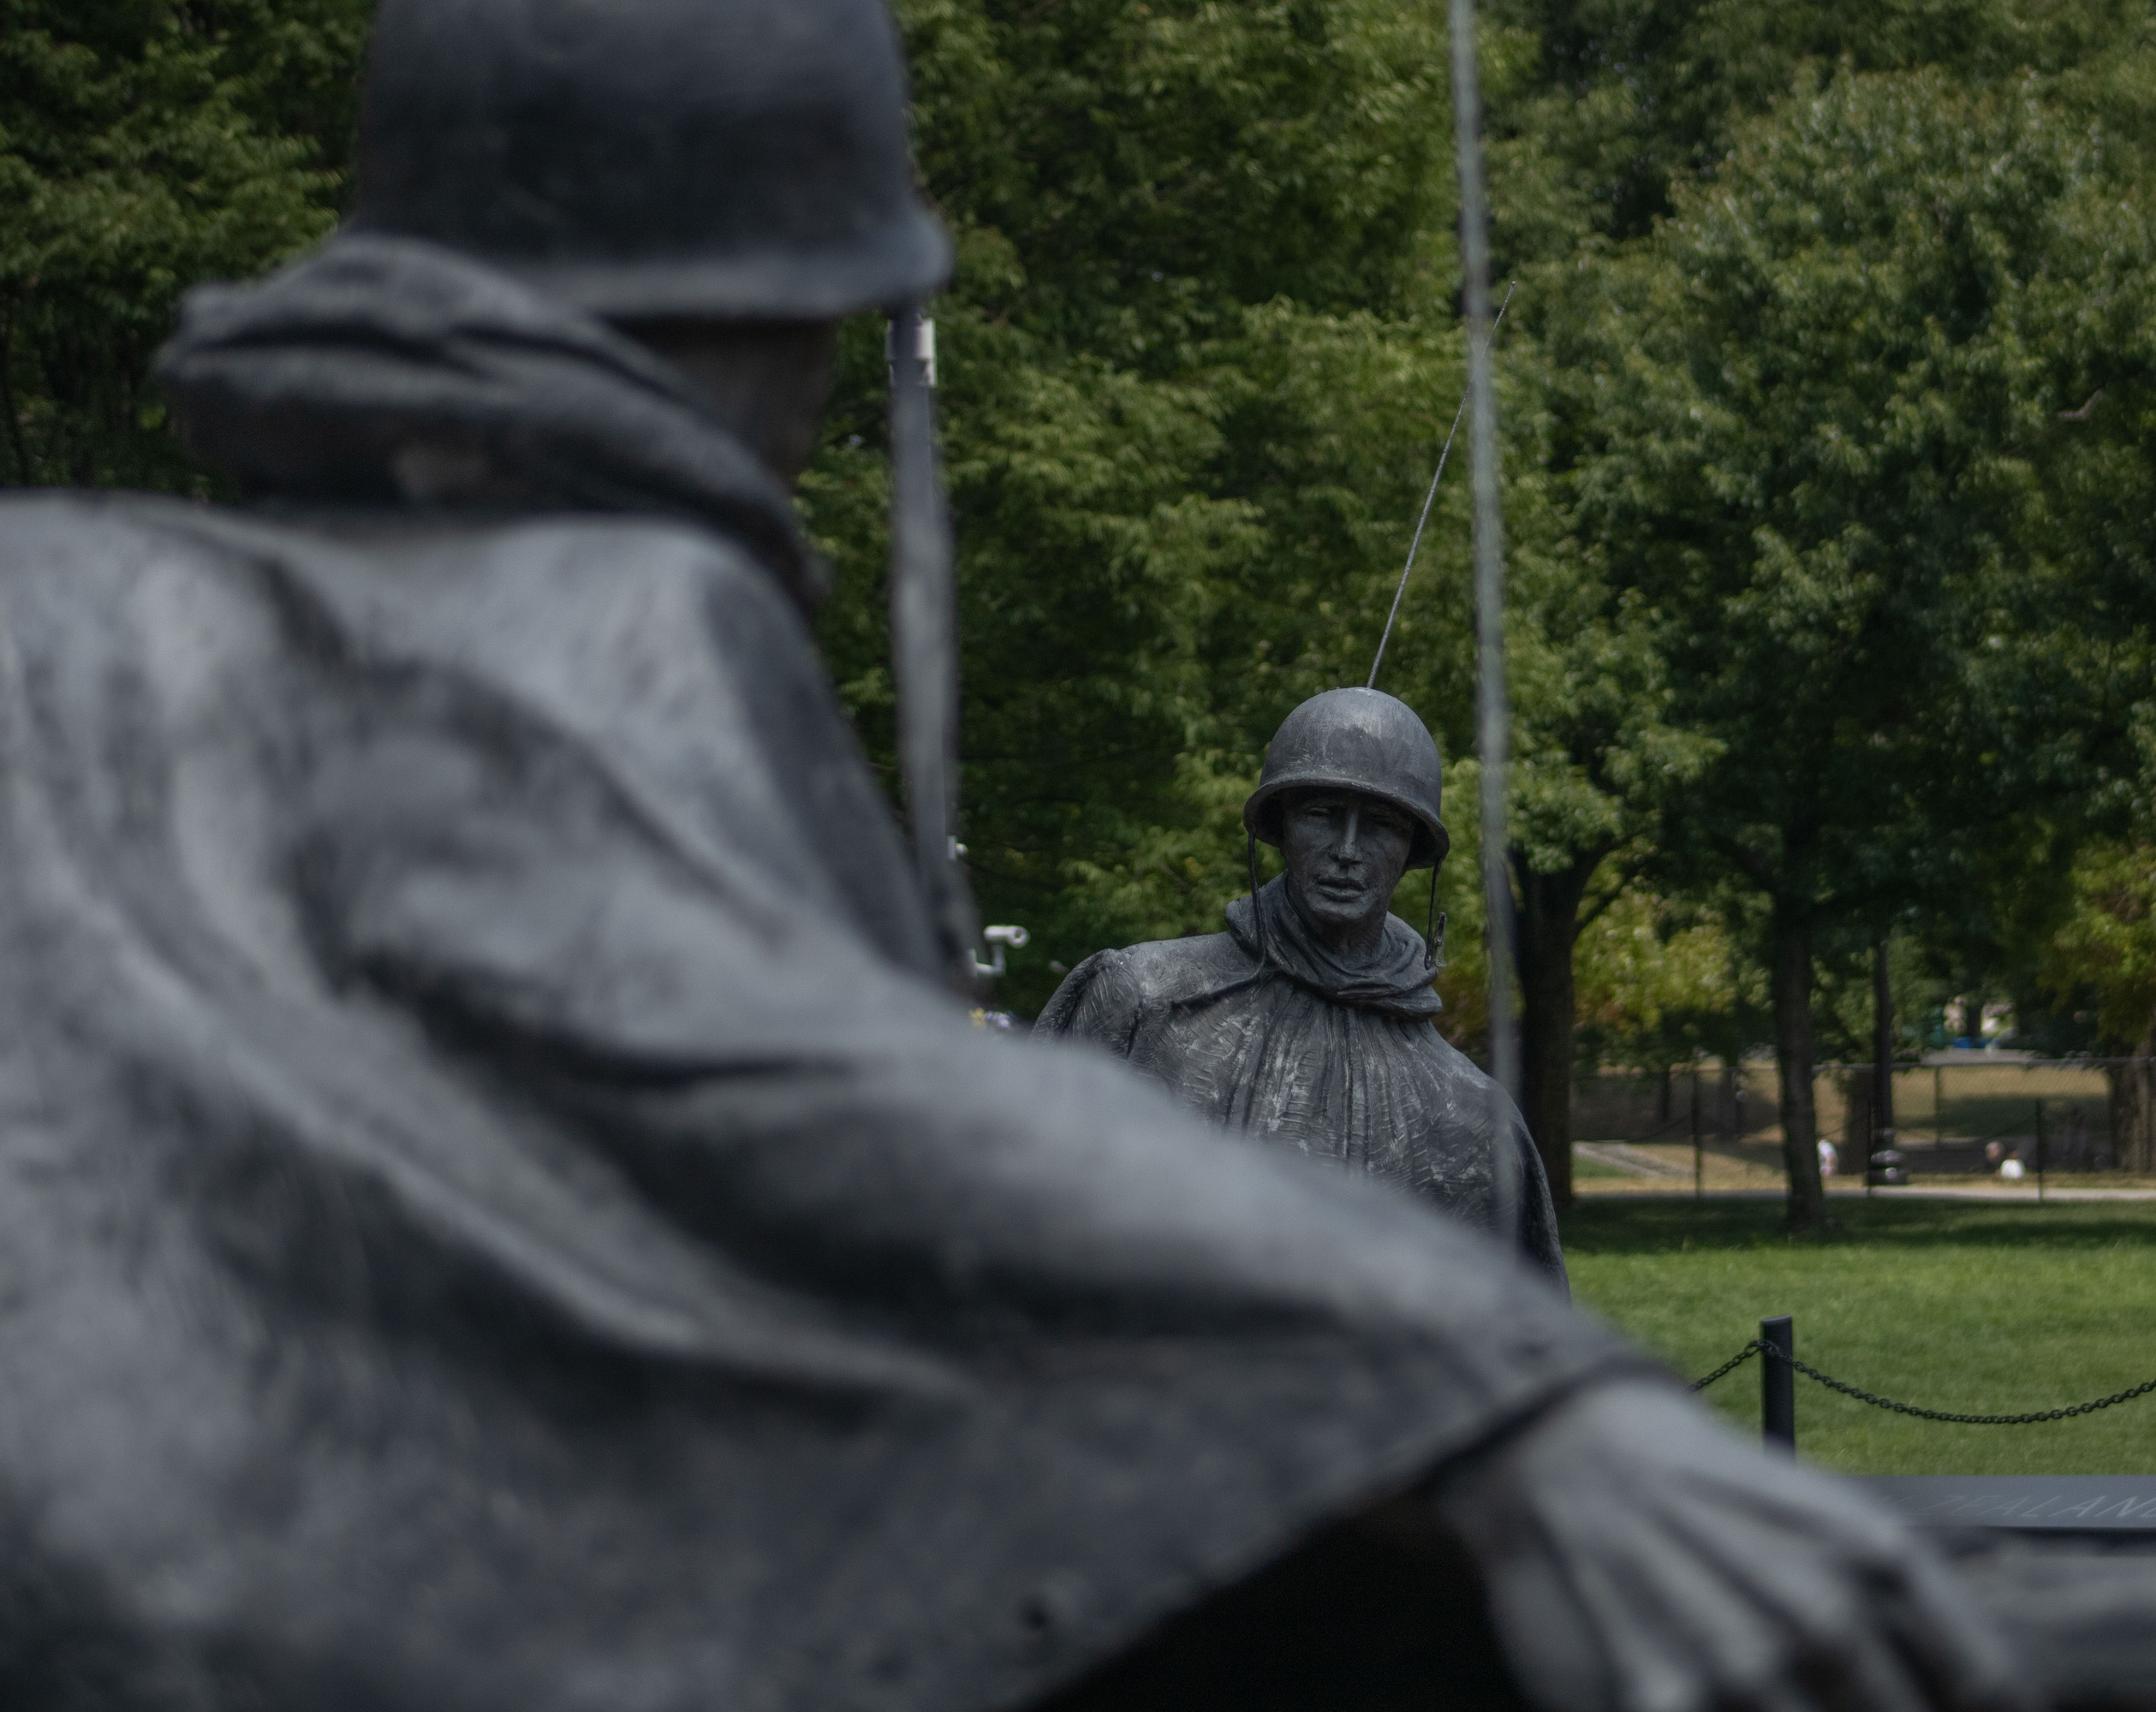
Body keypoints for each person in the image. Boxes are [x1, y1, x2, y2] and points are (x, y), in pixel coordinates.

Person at [0, 3, 2023, 1710]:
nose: (802, 437)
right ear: (770, 304)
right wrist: (1509, 1398)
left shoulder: (55, 594)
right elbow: (868, 1126)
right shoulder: (600, 620)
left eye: (1374, 823)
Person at [1036, 687, 1560, 1275]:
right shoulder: (1145, 1000)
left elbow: (1517, 1346)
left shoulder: (1471, 1119)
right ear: (1280, 824)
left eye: (1381, 825)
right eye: (1322, 815)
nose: (1347, 850)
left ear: (1412, 849)